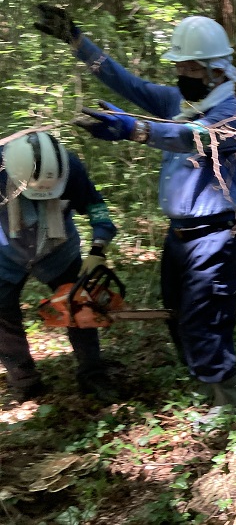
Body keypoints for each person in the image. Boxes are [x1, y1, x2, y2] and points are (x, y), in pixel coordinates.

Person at [34, 5, 236, 408]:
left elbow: (190, 137)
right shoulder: (177, 100)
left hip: (216, 234)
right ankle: (205, 388)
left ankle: (226, 400)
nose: (182, 76)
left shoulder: (230, 113)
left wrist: (134, 129)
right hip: (179, 236)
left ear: (217, 69)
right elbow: (126, 83)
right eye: (180, 68)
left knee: (206, 318)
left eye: (192, 69)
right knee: (178, 314)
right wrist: (78, 42)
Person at [0, 132, 118, 403]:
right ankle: (23, 381)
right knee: (2, 316)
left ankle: (93, 374)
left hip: (58, 250)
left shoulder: (71, 167)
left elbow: (95, 206)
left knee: (80, 306)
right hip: (5, 253)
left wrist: (98, 248)